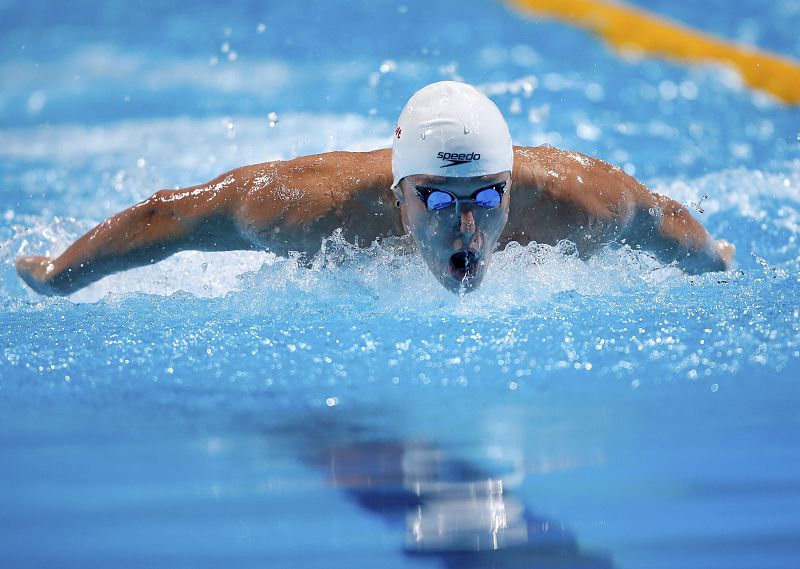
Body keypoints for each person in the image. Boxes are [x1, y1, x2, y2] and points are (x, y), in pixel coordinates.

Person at [15, 81, 734, 296]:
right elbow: (169, 215)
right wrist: (58, 275)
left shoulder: (580, 203)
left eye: (488, 199)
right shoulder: (302, 206)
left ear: (513, 189)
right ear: (397, 194)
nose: (467, 228)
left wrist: (715, 259)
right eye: (441, 201)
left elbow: (659, 216)